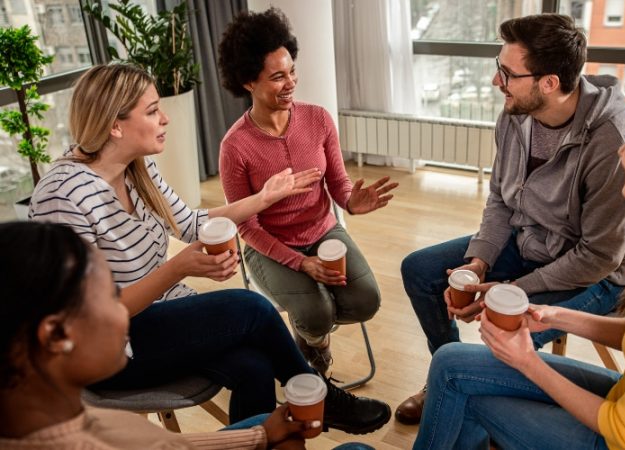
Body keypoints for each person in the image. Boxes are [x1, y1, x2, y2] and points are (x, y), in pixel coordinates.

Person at [28, 63, 391, 435]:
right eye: (152, 111)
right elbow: (87, 319)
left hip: (159, 317)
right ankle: (319, 395)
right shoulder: (64, 196)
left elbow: (191, 223)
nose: (165, 118)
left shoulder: (136, 169)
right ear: (115, 125)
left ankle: (256, 441)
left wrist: (264, 198)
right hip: (107, 350)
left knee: (255, 367)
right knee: (249, 307)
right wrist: (176, 269)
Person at [396, 13, 625, 425]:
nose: (497, 82)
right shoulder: (515, 113)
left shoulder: (610, 142)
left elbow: (600, 255)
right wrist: (479, 262)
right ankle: (443, 373)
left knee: (505, 338)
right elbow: (500, 199)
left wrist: (511, 289)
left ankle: (483, 412)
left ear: (549, 82)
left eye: (507, 73)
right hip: (530, 240)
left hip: (598, 274)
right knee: (420, 271)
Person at [413, 80, 625, 450]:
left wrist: (527, 362)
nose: (621, 152)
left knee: (464, 383)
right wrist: (553, 314)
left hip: (624, 438)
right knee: (450, 362)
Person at [0, 221, 380, 450]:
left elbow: (171, 447)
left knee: (254, 370)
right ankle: (322, 394)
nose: (125, 309)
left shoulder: (60, 421)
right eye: (109, 298)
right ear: (55, 334)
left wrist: (259, 436)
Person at [217, 8, 398, 375]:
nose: (291, 83)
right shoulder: (235, 147)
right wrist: (302, 264)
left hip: (323, 232)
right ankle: (314, 338)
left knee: (366, 301)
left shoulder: (318, 119)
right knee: (317, 311)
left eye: (292, 71)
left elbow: (338, 184)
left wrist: (350, 201)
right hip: (268, 244)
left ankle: (309, 331)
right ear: (249, 82)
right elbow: (247, 226)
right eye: (277, 77)